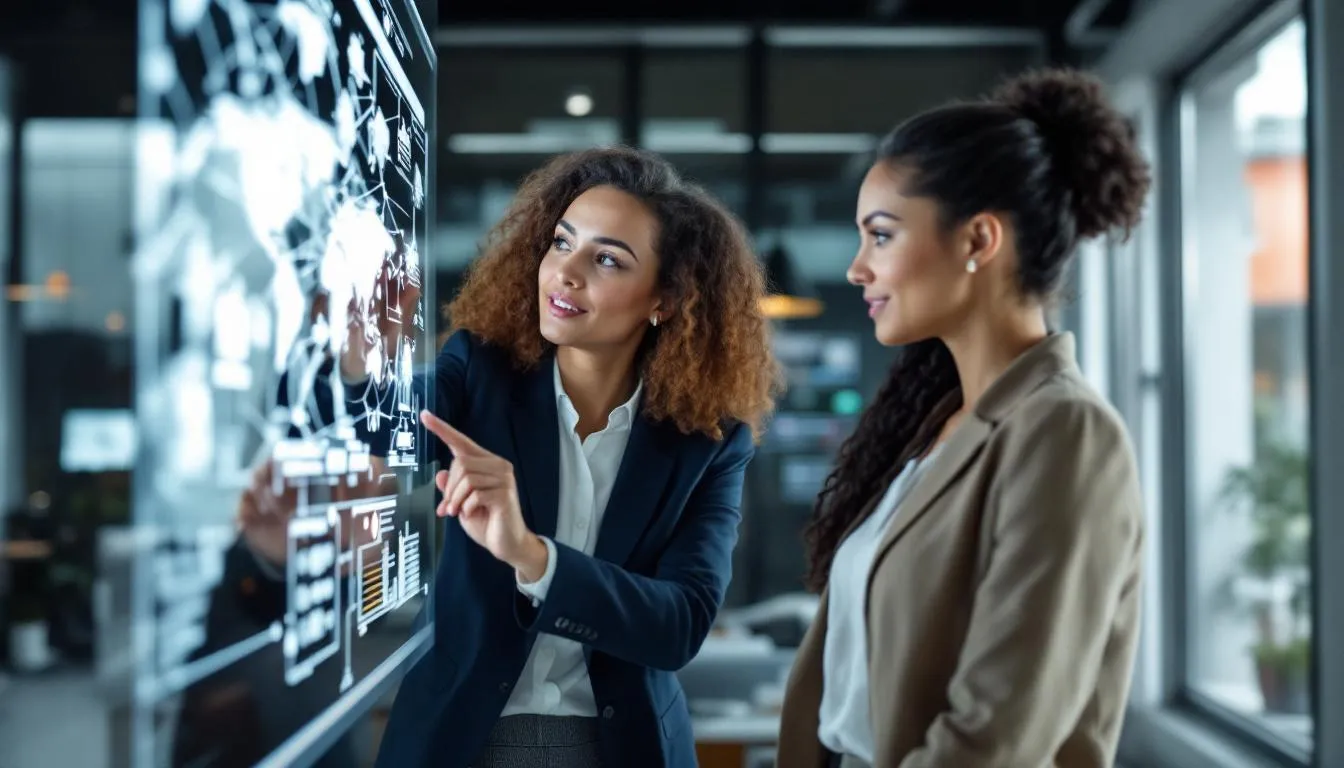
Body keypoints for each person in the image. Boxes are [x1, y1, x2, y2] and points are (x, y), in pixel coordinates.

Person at [356, 147, 781, 768]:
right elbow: (370, 429)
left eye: (607, 259)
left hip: (621, 750)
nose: (565, 272)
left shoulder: (708, 441)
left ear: (664, 300)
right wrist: (358, 360)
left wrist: (533, 557)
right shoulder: (477, 371)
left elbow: (680, 624)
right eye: (562, 243)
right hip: (461, 740)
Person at [775, 68, 1152, 768]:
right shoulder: (936, 426)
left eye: (881, 236)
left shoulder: (1064, 432)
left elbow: (997, 736)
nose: (857, 268)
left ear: (978, 240)